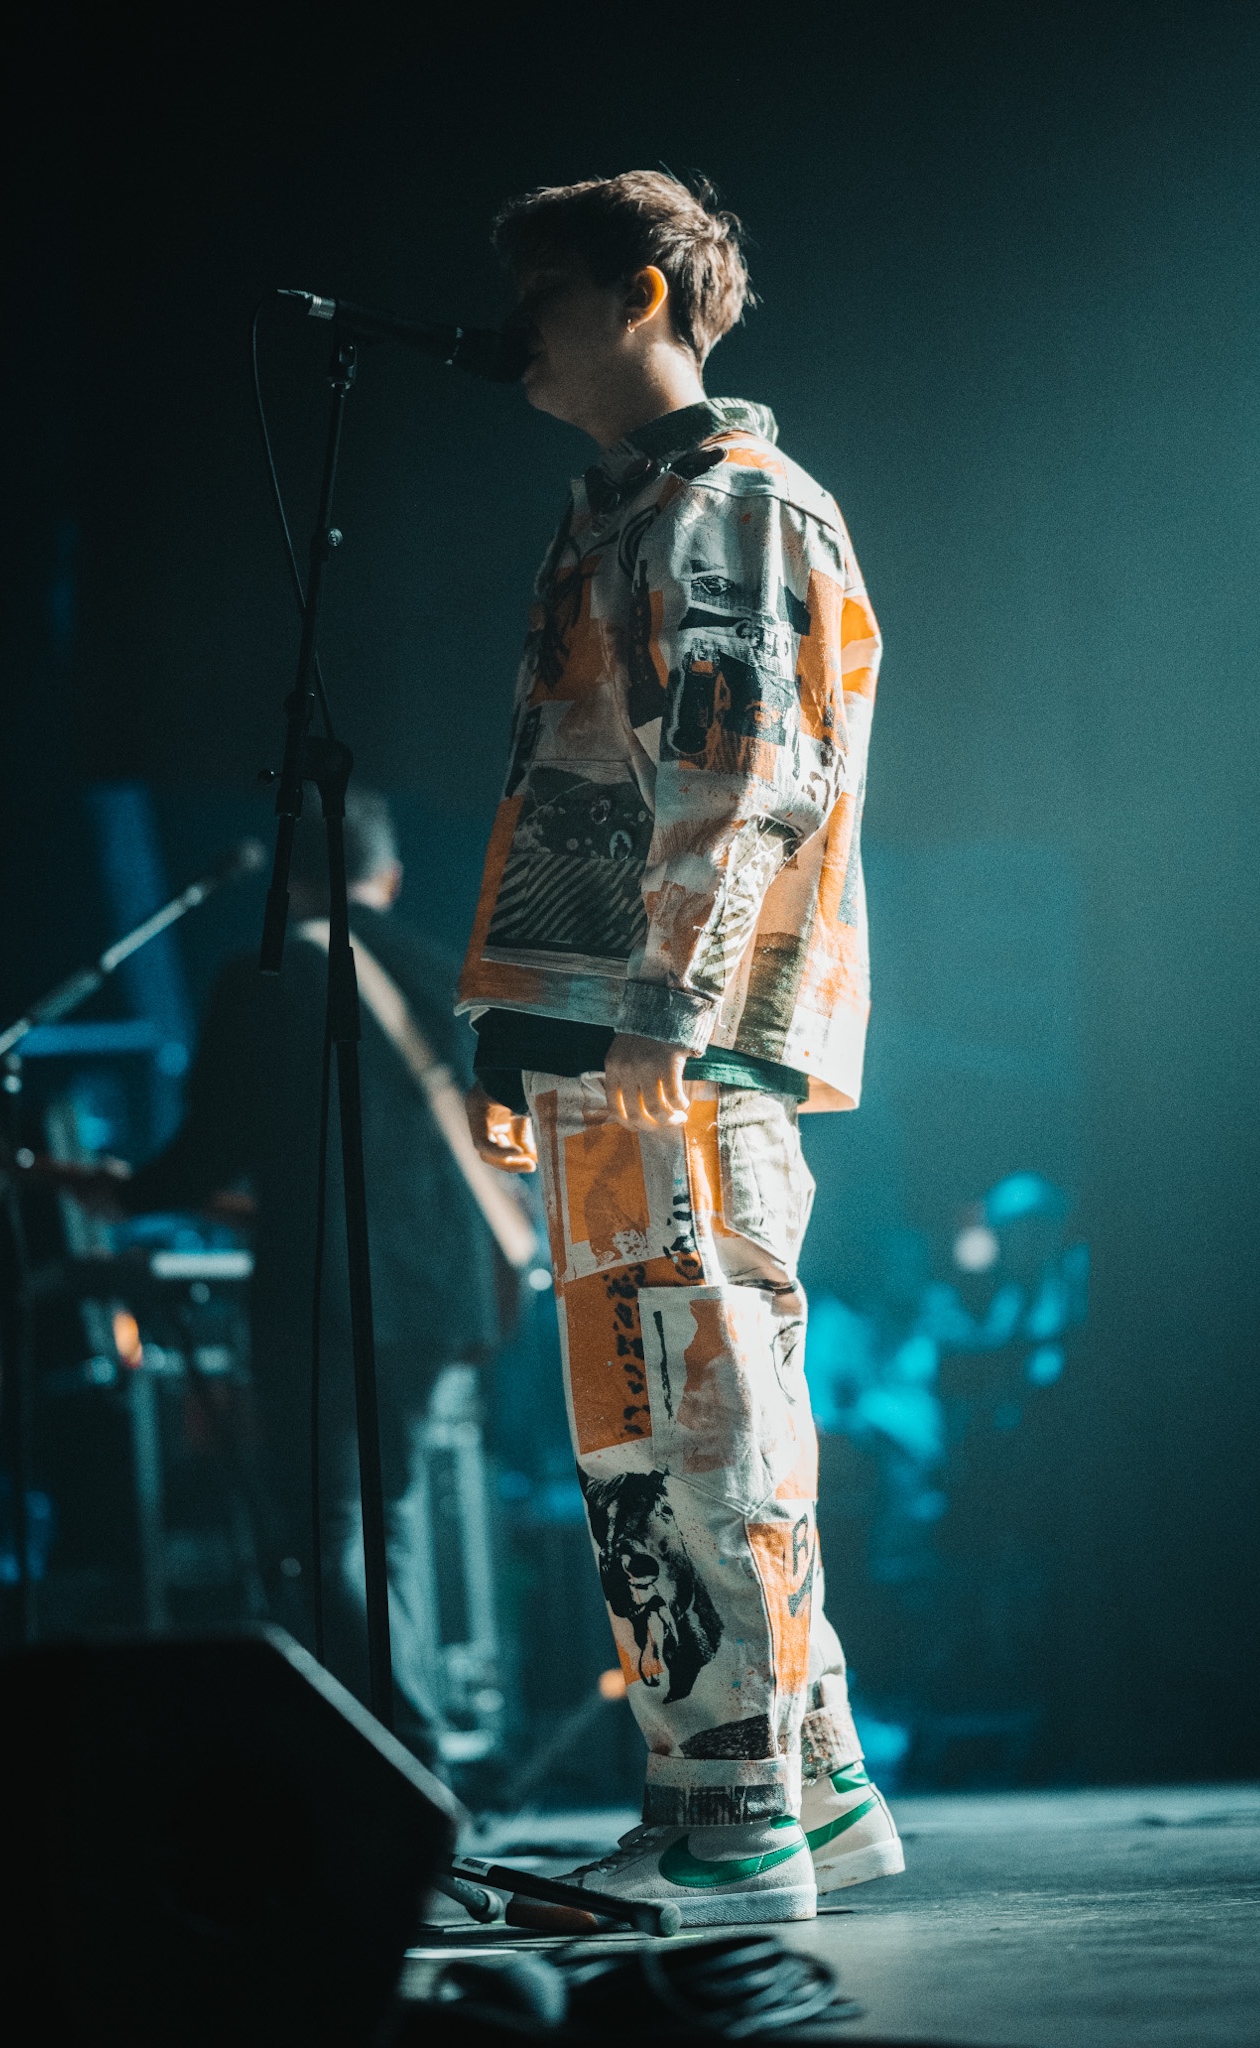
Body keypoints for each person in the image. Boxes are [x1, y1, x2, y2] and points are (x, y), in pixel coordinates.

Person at [461, 172, 903, 1923]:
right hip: (617, 1043)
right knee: (661, 1426)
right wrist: (524, 1030)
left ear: (642, 294)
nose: (518, 333)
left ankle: (739, 1822)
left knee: (691, 1424)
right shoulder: (625, 510)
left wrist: (658, 1011)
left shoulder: (735, 507)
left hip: (677, 1046)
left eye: (547, 294)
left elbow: (746, 770)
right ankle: (804, 1784)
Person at [126, 790, 511, 1750]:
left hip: (329, 1295)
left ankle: (407, 1755)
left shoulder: (266, 978)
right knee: (390, 1515)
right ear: (390, 876)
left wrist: (135, 1194)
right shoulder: (444, 977)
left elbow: (212, 1145)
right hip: (441, 1295)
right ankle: (416, 1745)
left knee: (329, 1528)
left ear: (286, 883)